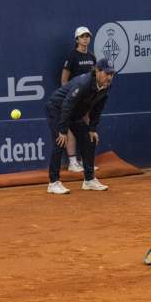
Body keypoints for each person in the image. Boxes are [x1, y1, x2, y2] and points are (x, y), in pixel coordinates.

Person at [45, 59, 115, 194]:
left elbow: (98, 108)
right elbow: (67, 105)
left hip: (74, 113)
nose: (109, 77)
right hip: (57, 108)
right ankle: (53, 183)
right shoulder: (84, 83)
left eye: (112, 74)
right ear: (97, 71)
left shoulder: (107, 85)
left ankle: (89, 180)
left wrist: (92, 129)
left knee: (90, 139)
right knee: (60, 142)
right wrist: (63, 130)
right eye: (107, 73)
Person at [61, 26, 97, 172]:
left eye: (87, 36)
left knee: (86, 127)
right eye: (82, 36)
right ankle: (72, 162)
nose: (85, 39)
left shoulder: (92, 57)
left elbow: (95, 78)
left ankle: (85, 161)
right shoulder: (72, 56)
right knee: (72, 127)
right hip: (74, 98)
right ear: (77, 39)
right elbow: (64, 80)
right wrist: (70, 96)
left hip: (88, 99)